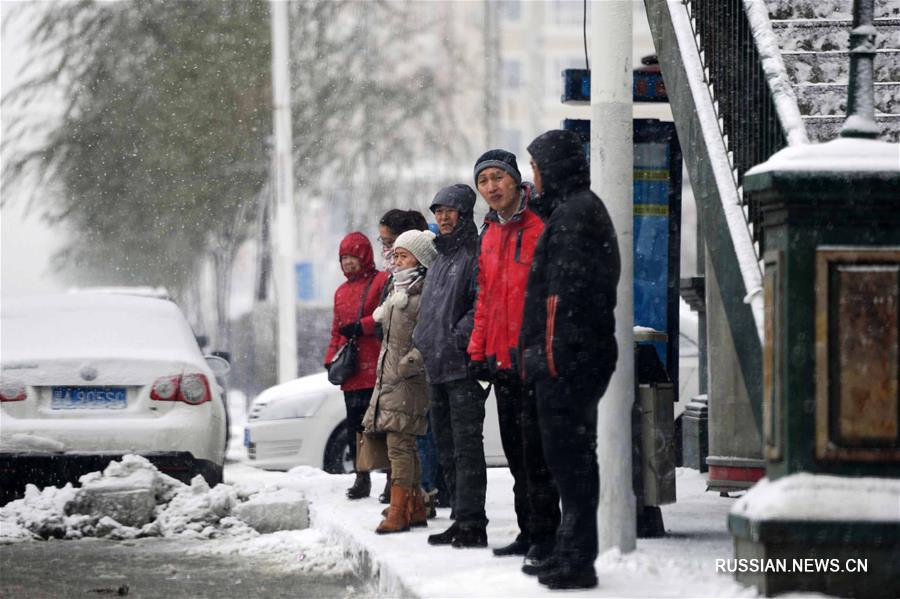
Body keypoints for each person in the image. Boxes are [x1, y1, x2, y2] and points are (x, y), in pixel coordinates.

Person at [520, 129, 620, 590]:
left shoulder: (576, 216)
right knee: (571, 460)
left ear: (554, 168)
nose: (533, 177)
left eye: (537, 167)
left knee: (572, 462)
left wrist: (549, 359)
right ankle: (571, 551)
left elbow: (561, 296)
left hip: (569, 361)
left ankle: (578, 559)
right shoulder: (574, 210)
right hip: (575, 356)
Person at [466, 150, 560, 571]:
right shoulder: (488, 232)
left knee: (539, 457)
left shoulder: (539, 224)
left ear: (515, 180)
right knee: (516, 455)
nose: (491, 187)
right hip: (501, 364)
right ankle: (527, 532)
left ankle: (547, 536)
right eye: (483, 181)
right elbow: (485, 298)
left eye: (497, 178)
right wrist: (477, 350)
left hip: (536, 362)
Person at [413, 183, 489, 548]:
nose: (442, 218)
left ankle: (473, 521)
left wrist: (455, 339)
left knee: (466, 447)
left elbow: (480, 306)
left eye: (449, 211)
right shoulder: (441, 256)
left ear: (464, 213)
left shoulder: (474, 253)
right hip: (437, 367)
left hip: (462, 368)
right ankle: (460, 516)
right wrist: (425, 340)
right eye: (438, 211)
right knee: (445, 445)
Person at [362, 229, 438, 533]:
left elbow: (431, 336)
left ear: (419, 259)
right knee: (405, 444)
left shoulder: (424, 294)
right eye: (396, 254)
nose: (396, 260)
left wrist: (410, 363)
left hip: (408, 380)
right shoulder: (398, 290)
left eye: (403, 255)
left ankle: (398, 512)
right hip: (391, 379)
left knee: (399, 446)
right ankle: (415, 507)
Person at [376, 208, 446, 510]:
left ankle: (423, 494)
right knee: (403, 439)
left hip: (416, 369)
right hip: (399, 369)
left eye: (392, 245)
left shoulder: (423, 284)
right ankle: (411, 497)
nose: (388, 253)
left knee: (419, 436)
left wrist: (408, 361)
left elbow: (427, 328)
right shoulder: (398, 282)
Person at [324, 232, 390, 500]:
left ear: (364, 256)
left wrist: (361, 327)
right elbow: (336, 331)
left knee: (384, 427)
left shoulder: (381, 281)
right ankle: (361, 478)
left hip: (377, 368)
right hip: (352, 373)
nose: (348, 263)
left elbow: (384, 318)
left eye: (353, 256)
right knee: (356, 431)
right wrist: (330, 360)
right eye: (344, 258)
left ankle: (390, 478)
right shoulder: (340, 292)